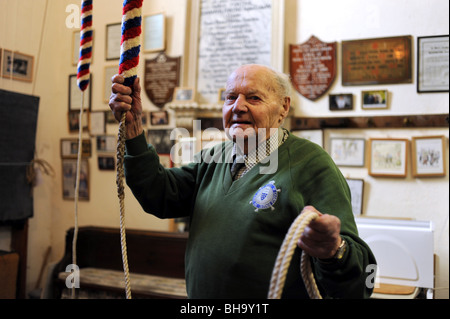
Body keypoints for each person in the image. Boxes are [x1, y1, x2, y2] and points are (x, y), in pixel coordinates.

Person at [109, 64, 376, 299]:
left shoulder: (312, 166)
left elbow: (358, 281)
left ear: (283, 107)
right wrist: (134, 131)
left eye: (254, 97)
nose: (238, 107)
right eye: (230, 97)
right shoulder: (213, 157)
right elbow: (160, 194)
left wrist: (334, 251)